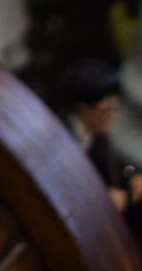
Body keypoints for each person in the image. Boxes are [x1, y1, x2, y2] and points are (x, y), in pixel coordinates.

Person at [58, 56, 142, 214]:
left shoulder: (98, 134)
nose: (113, 117)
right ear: (83, 109)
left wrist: (132, 175)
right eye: (105, 111)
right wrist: (100, 202)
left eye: (114, 108)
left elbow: (122, 164)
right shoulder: (63, 140)